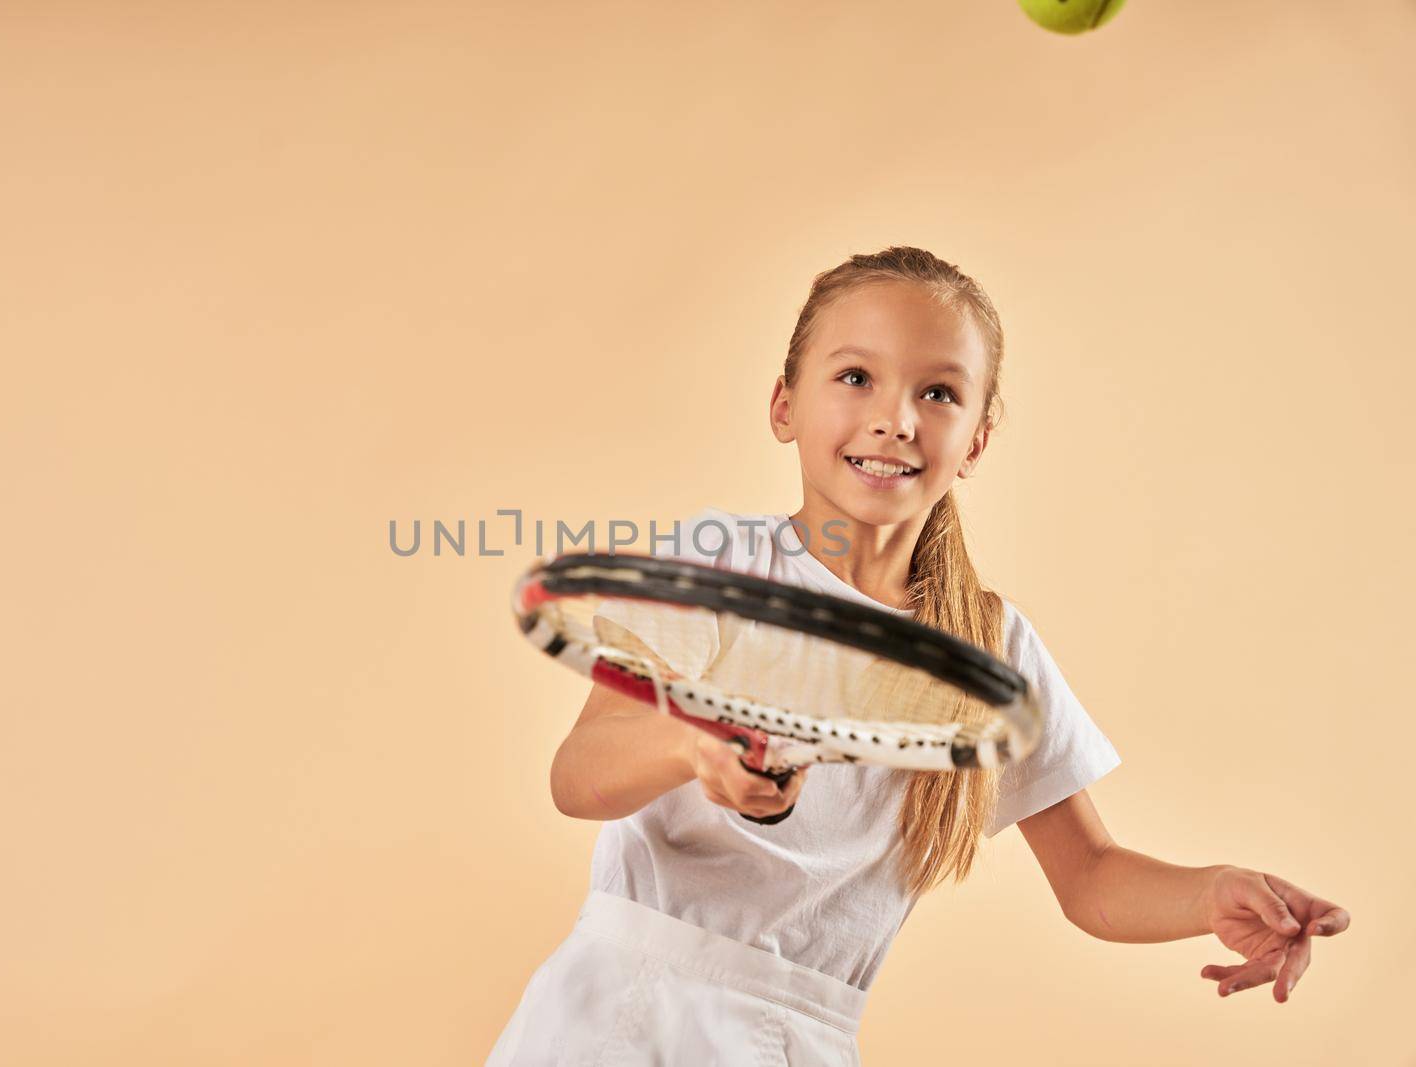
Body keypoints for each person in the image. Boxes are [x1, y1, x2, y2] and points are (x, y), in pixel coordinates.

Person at [486, 247, 1350, 1065]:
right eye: (855, 377)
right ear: (785, 404)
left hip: (807, 1034)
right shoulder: (714, 566)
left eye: (938, 393)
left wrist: (1209, 895)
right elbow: (578, 774)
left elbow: (1090, 876)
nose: (895, 418)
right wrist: (691, 745)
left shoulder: (988, 648)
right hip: (618, 1019)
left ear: (976, 440)